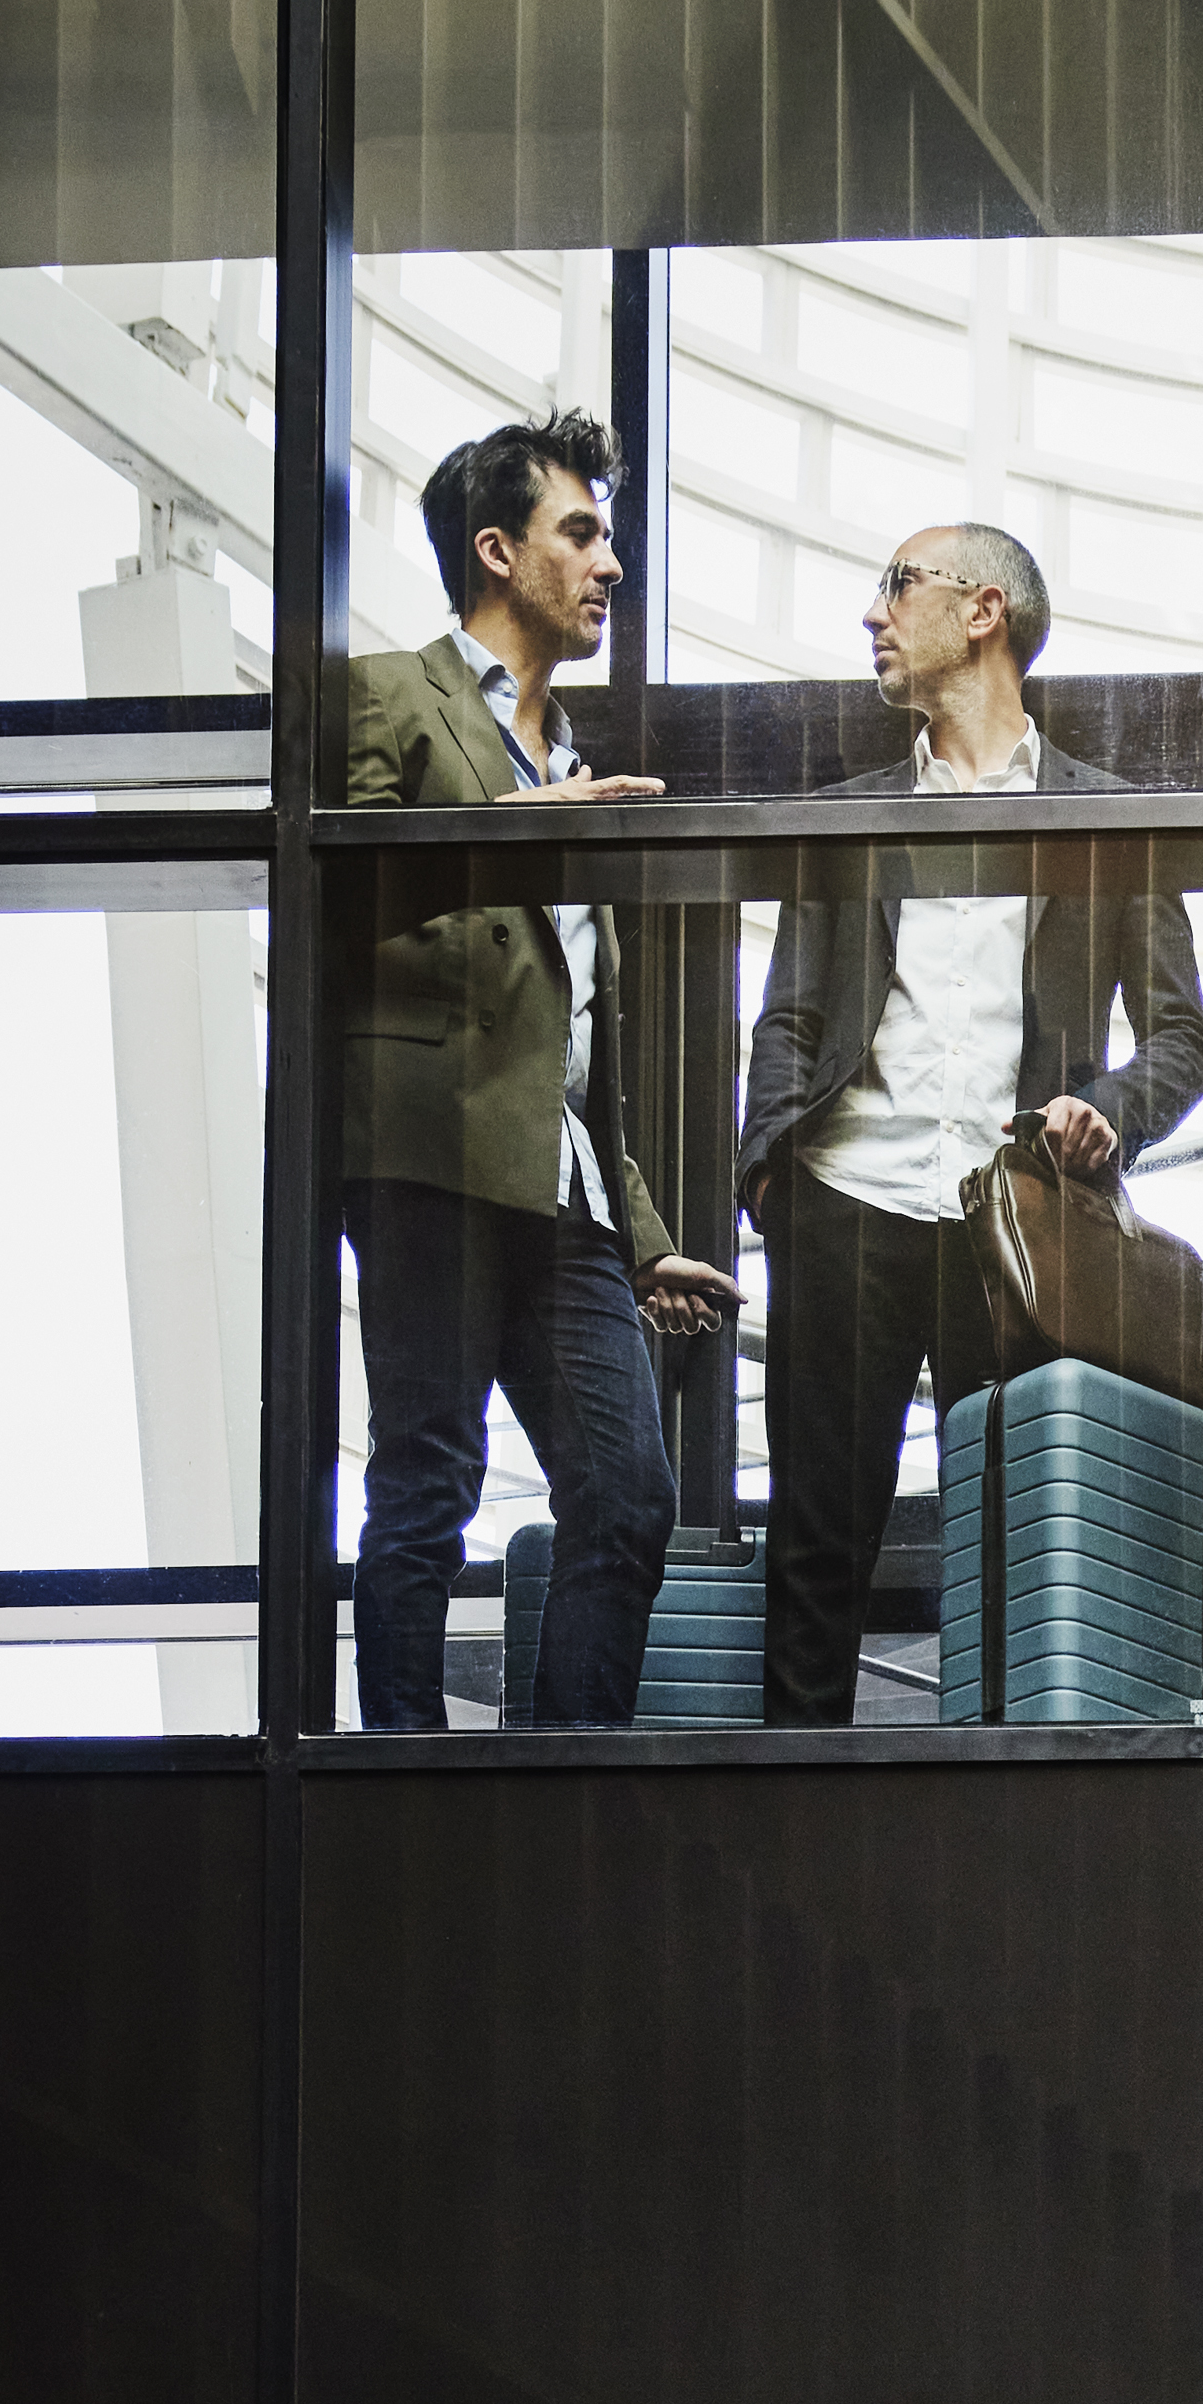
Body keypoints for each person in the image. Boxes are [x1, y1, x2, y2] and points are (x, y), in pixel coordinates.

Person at [740, 521, 1202, 1727]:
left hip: (1015, 1224)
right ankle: (802, 1849)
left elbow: (1183, 1035)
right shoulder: (851, 814)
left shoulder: (1109, 816)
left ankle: (1000, 1841)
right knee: (814, 1545)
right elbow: (787, 1016)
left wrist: (1104, 1113)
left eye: (897, 584)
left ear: (982, 610)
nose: (874, 613)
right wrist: (771, 1179)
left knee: (1015, 1540)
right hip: (844, 1202)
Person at [338, 415, 742, 1730]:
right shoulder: (388, 694)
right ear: (498, 551)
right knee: (426, 1486)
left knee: (628, 1494)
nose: (609, 562)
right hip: (425, 1157)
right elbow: (334, 892)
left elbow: (564, 1055)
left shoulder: (573, 759)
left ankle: (559, 1793)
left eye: (609, 535)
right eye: (582, 533)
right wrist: (510, 827)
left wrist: (643, 1238)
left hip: (564, 1198)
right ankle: (394, 1803)